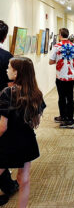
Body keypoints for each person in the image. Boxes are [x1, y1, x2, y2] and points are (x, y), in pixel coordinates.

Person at [0, 57, 46, 207]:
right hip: (27, 141)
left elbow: (3, 126)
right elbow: (35, 120)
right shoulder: (36, 93)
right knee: (24, 179)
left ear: (17, 72)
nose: (7, 70)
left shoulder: (8, 92)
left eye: (9, 67)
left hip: (7, 142)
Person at [0, 20, 19, 206]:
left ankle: (8, 185)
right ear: (5, 38)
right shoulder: (7, 57)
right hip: (2, 107)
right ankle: (8, 185)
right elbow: (12, 85)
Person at [49, 28, 74, 129]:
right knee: (70, 97)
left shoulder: (57, 46)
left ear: (60, 35)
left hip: (61, 76)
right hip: (72, 76)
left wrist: (59, 60)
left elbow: (51, 61)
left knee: (62, 98)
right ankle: (70, 118)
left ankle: (64, 117)